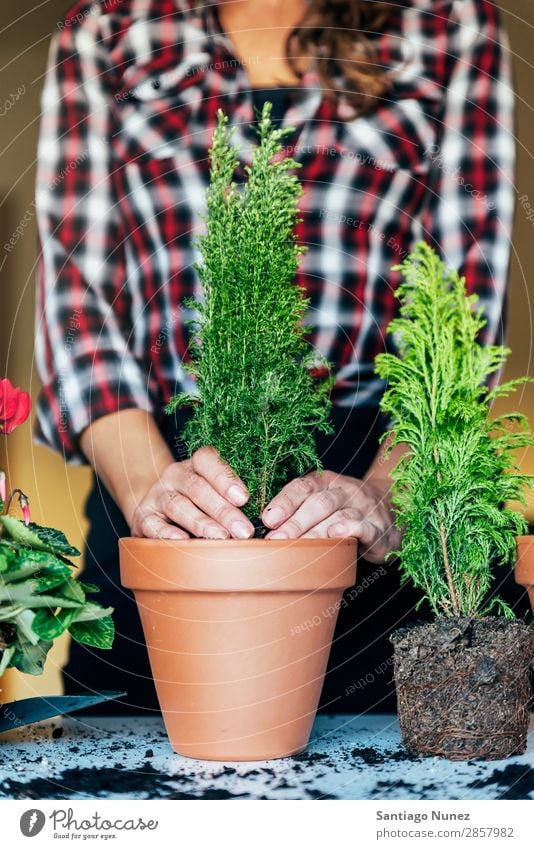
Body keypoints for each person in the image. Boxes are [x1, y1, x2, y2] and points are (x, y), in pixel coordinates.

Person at [34, 0, 523, 713]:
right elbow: (77, 300)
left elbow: (465, 303)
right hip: (164, 482)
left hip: (374, 474)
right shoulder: (108, 29)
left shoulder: (446, 23)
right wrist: (150, 491)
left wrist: (388, 497)